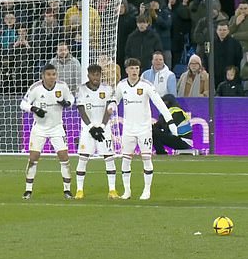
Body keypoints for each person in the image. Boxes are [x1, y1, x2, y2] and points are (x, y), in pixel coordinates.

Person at [115, 58, 177, 200]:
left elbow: (159, 103)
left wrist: (170, 121)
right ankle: (127, 191)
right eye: (132, 69)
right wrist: (111, 106)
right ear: (126, 71)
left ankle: (146, 190)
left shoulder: (146, 85)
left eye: (137, 68)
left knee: (146, 159)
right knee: (126, 159)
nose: (134, 71)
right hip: (128, 129)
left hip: (144, 129)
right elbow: (115, 100)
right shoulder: (121, 85)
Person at [20, 63, 75, 200]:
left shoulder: (62, 86)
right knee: (33, 158)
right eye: (49, 75)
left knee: (64, 157)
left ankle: (67, 190)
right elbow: (23, 103)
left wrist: (68, 103)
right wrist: (34, 109)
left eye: (54, 74)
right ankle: (28, 190)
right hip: (39, 128)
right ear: (43, 76)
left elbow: (71, 98)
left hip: (57, 128)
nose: (52, 77)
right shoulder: (35, 88)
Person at [74, 64, 118, 200]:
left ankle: (112, 190)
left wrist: (103, 126)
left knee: (109, 158)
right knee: (83, 158)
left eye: (97, 74)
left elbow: (109, 109)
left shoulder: (108, 89)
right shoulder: (81, 89)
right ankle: (79, 190)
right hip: (88, 129)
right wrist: (92, 127)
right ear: (88, 75)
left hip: (104, 129)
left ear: (101, 75)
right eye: (93, 74)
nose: (95, 77)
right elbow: (81, 110)